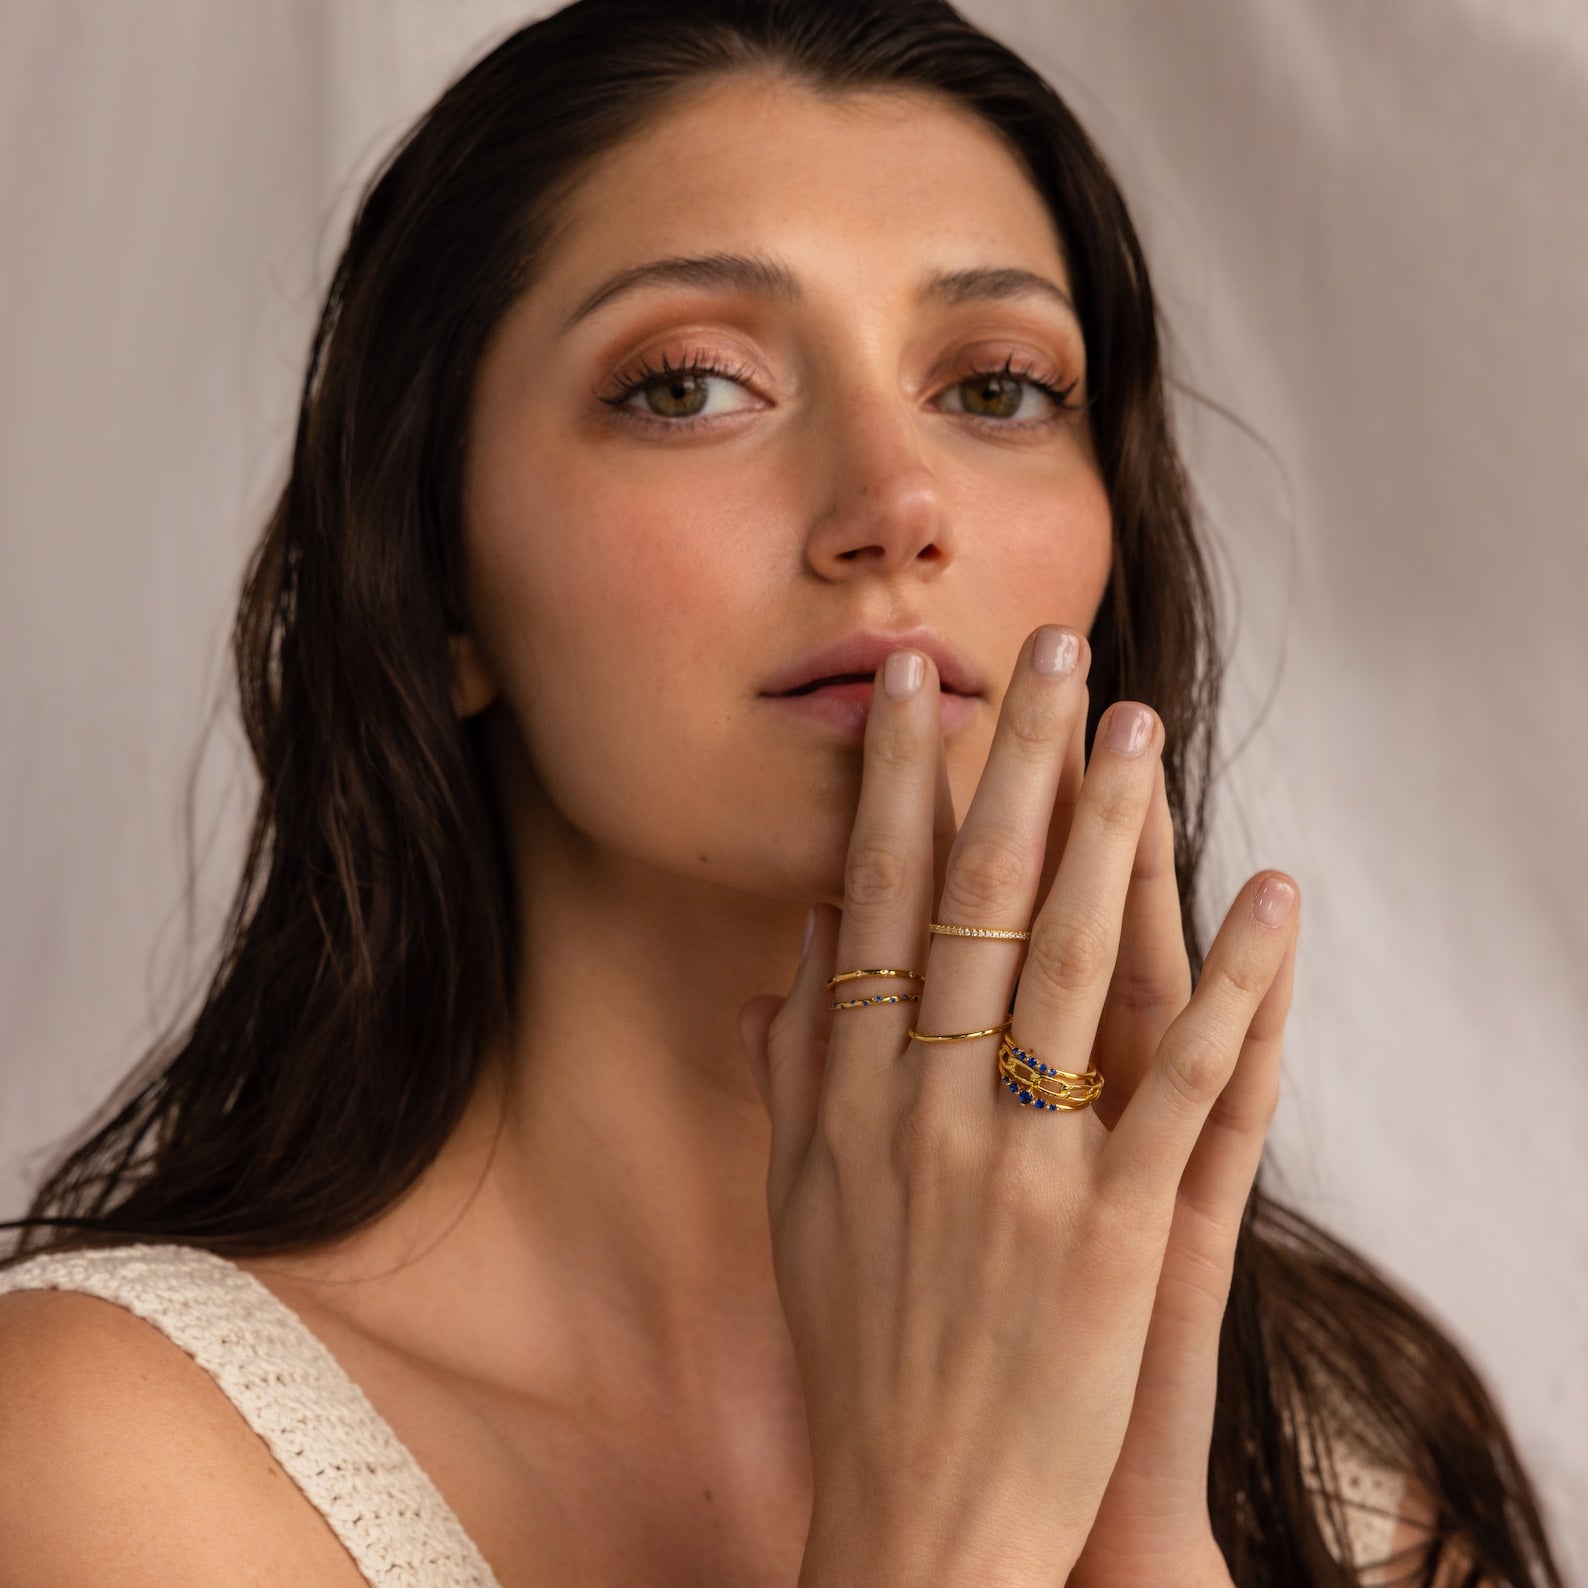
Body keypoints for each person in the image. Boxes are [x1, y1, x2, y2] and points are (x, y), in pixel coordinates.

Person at [0, 2, 1564, 1584]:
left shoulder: (1345, 1450)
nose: (896, 503)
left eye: (1000, 388)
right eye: (689, 385)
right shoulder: (105, 1455)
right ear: (438, 583)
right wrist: (940, 1533)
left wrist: (1144, 1537)